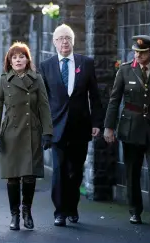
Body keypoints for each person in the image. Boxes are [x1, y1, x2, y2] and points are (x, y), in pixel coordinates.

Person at [104, 35, 150, 226]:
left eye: (142, 52)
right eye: (136, 52)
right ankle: (135, 211)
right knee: (132, 171)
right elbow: (114, 100)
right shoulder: (125, 70)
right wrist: (109, 127)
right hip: (131, 128)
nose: (138, 55)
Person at [39, 24, 103, 226]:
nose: (64, 41)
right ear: (54, 42)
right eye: (60, 38)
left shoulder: (86, 63)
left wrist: (96, 122)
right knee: (58, 170)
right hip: (56, 127)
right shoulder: (46, 66)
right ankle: (59, 212)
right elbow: (43, 99)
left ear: (73, 41)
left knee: (75, 171)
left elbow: (95, 96)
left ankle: (72, 207)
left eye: (68, 38)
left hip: (80, 126)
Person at [0, 42, 53, 230]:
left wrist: (47, 132)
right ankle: (14, 215)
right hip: (10, 132)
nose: (18, 60)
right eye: (14, 57)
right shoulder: (4, 80)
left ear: (28, 60)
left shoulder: (37, 79)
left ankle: (27, 212)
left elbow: (44, 106)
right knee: (13, 177)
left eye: (21, 56)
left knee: (29, 176)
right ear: (9, 61)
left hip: (31, 131)